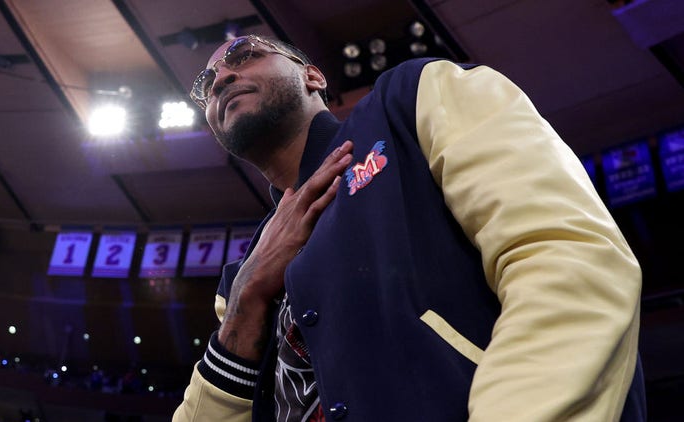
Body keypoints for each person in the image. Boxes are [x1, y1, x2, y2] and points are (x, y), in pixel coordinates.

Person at [173, 34, 646, 421]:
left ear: (312, 76)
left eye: (245, 55)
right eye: (206, 84)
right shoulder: (239, 279)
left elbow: (568, 261)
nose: (222, 79)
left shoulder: (415, 96)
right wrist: (244, 306)